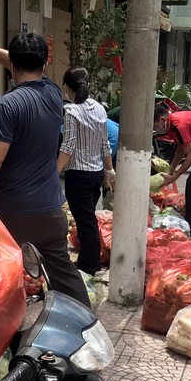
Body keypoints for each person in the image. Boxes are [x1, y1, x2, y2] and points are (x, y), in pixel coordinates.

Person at [0, 34, 90, 307]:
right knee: (64, 275)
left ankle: (0, 335)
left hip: (13, 214)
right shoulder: (54, 93)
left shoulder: (9, 103)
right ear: (44, 64)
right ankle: (85, 328)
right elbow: (24, 65)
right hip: (52, 211)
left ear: (13, 66)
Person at [57, 67, 115, 276]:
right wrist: (110, 170)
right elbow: (104, 143)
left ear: (66, 87)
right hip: (96, 172)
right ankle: (90, 259)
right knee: (88, 219)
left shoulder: (72, 111)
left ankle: (89, 264)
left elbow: (68, 146)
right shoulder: (100, 109)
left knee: (85, 221)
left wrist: (54, 172)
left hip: (78, 175)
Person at [153, 103, 191, 235]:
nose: (156, 130)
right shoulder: (172, 126)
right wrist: (171, 169)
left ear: (162, 120)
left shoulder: (178, 125)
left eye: (155, 126)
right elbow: (181, 148)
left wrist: (175, 176)